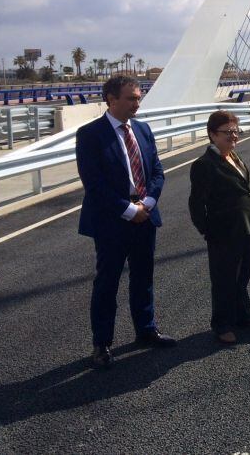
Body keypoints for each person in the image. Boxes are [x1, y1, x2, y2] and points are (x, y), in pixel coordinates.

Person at [76, 75, 175, 369]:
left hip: (145, 215)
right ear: (111, 99)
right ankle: (102, 343)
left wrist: (148, 203)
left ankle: (146, 329)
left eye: (138, 97)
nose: (137, 102)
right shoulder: (90, 134)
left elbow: (156, 171)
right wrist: (129, 210)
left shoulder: (143, 130)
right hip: (112, 221)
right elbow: (94, 184)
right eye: (131, 98)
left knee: (143, 278)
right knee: (107, 282)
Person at [188, 111, 250, 344]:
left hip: (245, 227)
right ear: (212, 134)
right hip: (223, 233)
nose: (233, 136)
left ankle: (243, 315)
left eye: (235, 131)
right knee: (223, 280)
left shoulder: (234, 156)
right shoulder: (204, 165)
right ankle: (221, 324)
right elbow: (196, 203)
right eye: (227, 132)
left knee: (242, 277)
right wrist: (208, 231)